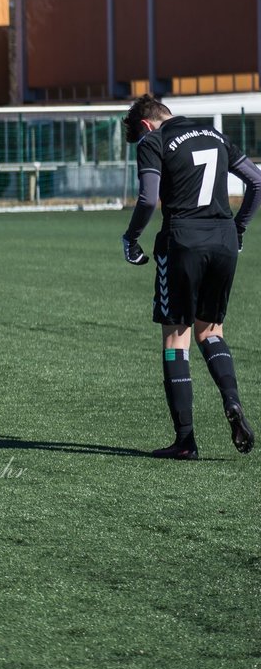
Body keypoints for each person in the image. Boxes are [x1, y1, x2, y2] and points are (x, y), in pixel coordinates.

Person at [121, 94, 261, 459]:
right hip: (223, 240)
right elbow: (257, 182)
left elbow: (149, 199)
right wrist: (239, 228)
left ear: (145, 125)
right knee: (210, 331)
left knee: (175, 339)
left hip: (183, 239)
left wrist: (131, 237)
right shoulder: (214, 134)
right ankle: (231, 401)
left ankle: (185, 441)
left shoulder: (154, 141)